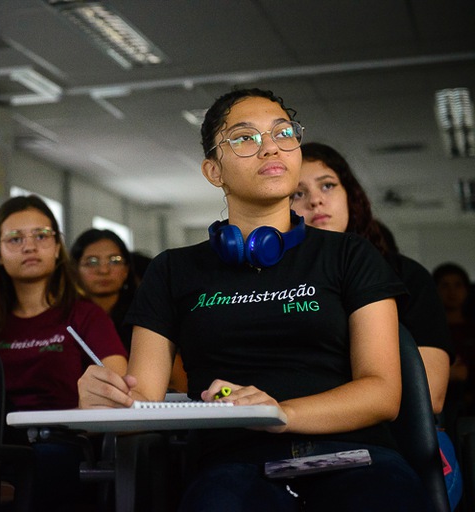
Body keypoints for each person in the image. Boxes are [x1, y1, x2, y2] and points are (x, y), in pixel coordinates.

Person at [78, 88, 431, 511]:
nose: (271, 147)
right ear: (214, 171)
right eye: (245, 138)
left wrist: (280, 413)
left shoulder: (350, 255)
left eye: (283, 133)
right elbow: (142, 404)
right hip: (233, 467)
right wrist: (104, 403)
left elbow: (382, 393)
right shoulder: (172, 270)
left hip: (356, 458)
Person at [0, 195, 127, 511]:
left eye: (41, 236)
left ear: (58, 248)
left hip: (64, 444)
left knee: (45, 464)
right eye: (15, 239)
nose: (29, 247)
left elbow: (117, 388)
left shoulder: (85, 315)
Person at [290, 142, 453, 414]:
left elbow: (431, 395)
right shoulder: (276, 283)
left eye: (327, 185)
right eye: (298, 193)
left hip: (389, 431)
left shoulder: (407, 275)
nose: (315, 200)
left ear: (350, 195)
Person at [70, 228, 138, 350]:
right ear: (75, 269)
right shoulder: (65, 318)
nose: (103, 270)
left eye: (114, 261)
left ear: (126, 269)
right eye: (92, 262)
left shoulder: (142, 316)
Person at [433, 263, 475, 429]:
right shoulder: (429, 330)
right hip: (441, 404)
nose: (452, 292)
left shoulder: (471, 329)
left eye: (458, 285)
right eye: (445, 286)